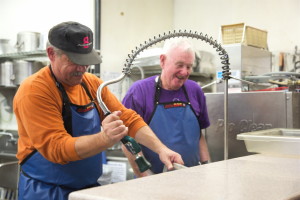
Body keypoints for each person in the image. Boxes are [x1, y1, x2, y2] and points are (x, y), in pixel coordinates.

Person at [13, 21, 183, 200]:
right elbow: (56, 149)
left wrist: (161, 149)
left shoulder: (91, 84)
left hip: (84, 189)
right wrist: (104, 139)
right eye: (74, 61)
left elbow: (128, 119)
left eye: (85, 61)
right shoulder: (35, 90)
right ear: (51, 54)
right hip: (46, 192)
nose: (82, 68)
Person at [122, 38, 211, 177]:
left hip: (192, 178)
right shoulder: (139, 92)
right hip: (151, 180)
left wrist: (206, 168)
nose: (184, 72)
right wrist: (145, 177)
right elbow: (128, 142)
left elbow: (199, 135)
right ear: (163, 61)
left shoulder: (195, 90)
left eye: (188, 66)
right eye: (179, 65)